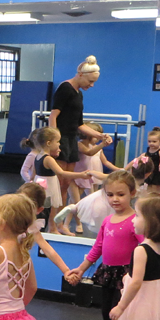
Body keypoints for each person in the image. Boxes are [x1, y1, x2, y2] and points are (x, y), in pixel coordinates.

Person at [68, 170, 143, 320]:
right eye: (110, 194)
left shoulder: (136, 222)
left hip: (125, 275)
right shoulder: (108, 220)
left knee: (120, 316)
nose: (115, 199)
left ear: (132, 193)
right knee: (106, 312)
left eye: (120, 194)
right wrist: (81, 268)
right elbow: (98, 247)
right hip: (108, 272)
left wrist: (142, 273)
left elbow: (146, 248)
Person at [49, 55, 113, 225]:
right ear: (80, 75)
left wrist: (99, 136)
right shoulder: (65, 88)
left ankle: (59, 224)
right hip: (61, 139)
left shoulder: (79, 94)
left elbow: (79, 124)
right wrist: (55, 140)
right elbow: (53, 116)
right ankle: (52, 225)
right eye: (90, 81)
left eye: (94, 82)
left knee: (65, 184)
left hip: (71, 139)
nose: (91, 85)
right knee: (59, 184)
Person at [55, 157, 153, 234]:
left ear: (132, 169)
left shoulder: (123, 177)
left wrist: (91, 172)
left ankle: (74, 208)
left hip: (103, 197)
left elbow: (103, 176)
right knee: (107, 223)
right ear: (148, 174)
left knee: (85, 207)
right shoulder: (140, 187)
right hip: (115, 205)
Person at [29, 127, 88, 234]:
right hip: (48, 186)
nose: (59, 144)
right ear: (48, 143)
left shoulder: (38, 156)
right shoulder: (48, 159)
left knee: (46, 208)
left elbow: (33, 174)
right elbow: (61, 173)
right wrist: (81, 175)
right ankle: (49, 228)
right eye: (57, 142)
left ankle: (49, 228)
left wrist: (31, 183)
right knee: (50, 208)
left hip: (41, 183)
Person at [70, 122, 119, 233]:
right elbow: (89, 153)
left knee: (87, 198)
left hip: (87, 176)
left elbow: (105, 161)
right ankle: (77, 223)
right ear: (88, 135)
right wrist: (102, 144)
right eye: (96, 136)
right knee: (75, 201)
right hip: (77, 175)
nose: (97, 139)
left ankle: (85, 220)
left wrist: (118, 169)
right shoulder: (79, 144)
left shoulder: (95, 147)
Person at [141, 127, 160, 194]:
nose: (151, 143)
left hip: (157, 173)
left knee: (155, 191)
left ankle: (157, 198)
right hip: (149, 172)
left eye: (154, 141)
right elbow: (140, 158)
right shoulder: (148, 150)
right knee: (148, 190)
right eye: (149, 141)